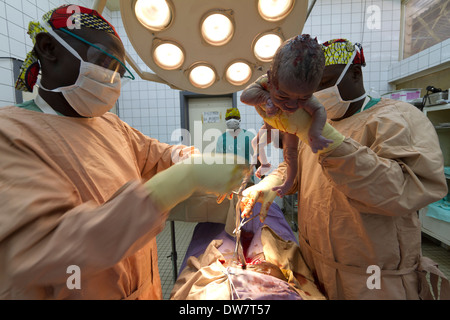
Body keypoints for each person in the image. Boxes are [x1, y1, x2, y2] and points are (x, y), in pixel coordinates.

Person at [0, 5, 249, 300]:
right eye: (102, 61)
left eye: (118, 69)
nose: (111, 77)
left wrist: (188, 157)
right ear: (49, 47)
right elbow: (51, 248)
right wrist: (184, 179)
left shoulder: (110, 124)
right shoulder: (11, 135)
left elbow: (157, 155)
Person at [238, 38, 450, 299]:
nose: (318, 93)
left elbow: (404, 190)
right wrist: (269, 184)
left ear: (355, 72)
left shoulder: (396, 119)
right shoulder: (314, 121)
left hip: (371, 279)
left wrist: (331, 144)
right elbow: (298, 167)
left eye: (326, 83)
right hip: (315, 267)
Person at [241, 34, 332, 197]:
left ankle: (289, 181)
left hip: (289, 129)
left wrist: (315, 133)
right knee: (256, 142)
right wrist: (266, 98)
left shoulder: (308, 97)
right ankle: (264, 164)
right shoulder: (265, 83)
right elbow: (245, 96)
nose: (291, 105)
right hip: (270, 125)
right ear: (271, 80)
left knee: (290, 153)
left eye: (302, 98)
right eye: (283, 97)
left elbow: (319, 111)